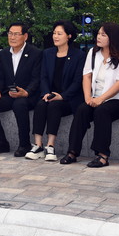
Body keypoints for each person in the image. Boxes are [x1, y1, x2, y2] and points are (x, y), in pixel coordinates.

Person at [59, 22, 119, 167]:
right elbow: (86, 76)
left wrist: (101, 99)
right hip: (96, 97)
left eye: (103, 35)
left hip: (118, 99)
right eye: (98, 34)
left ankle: (102, 155)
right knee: (82, 109)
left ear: (113, 37)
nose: (98, 37)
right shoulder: (93, 53)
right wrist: (88, 97)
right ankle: (72, 151)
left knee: (102, 111)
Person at [0, 22, 41, 156]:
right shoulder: (4, 53)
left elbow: (36, 78)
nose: (12, 37)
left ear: (25, 36)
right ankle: (1, 143)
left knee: (19, 104)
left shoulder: (35, 53)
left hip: (28, 95)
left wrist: (27, 92)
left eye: (16, 34)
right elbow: (1, 77)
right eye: (10, 33)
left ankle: (24, 144)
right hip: (9, 94)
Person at [28, 20, 85, 160]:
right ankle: (38, 145)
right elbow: (43, 76)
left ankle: (50, 146)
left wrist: (62, 96)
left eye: (59, 33)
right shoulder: (47, 53)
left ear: (69, 36)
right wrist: (46, 93)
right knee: (41, 104)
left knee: (54, 105)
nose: (55, 36)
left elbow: (78, 81)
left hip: (68, 99)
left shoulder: (79, 55)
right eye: (54, 33)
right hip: (49, 94)